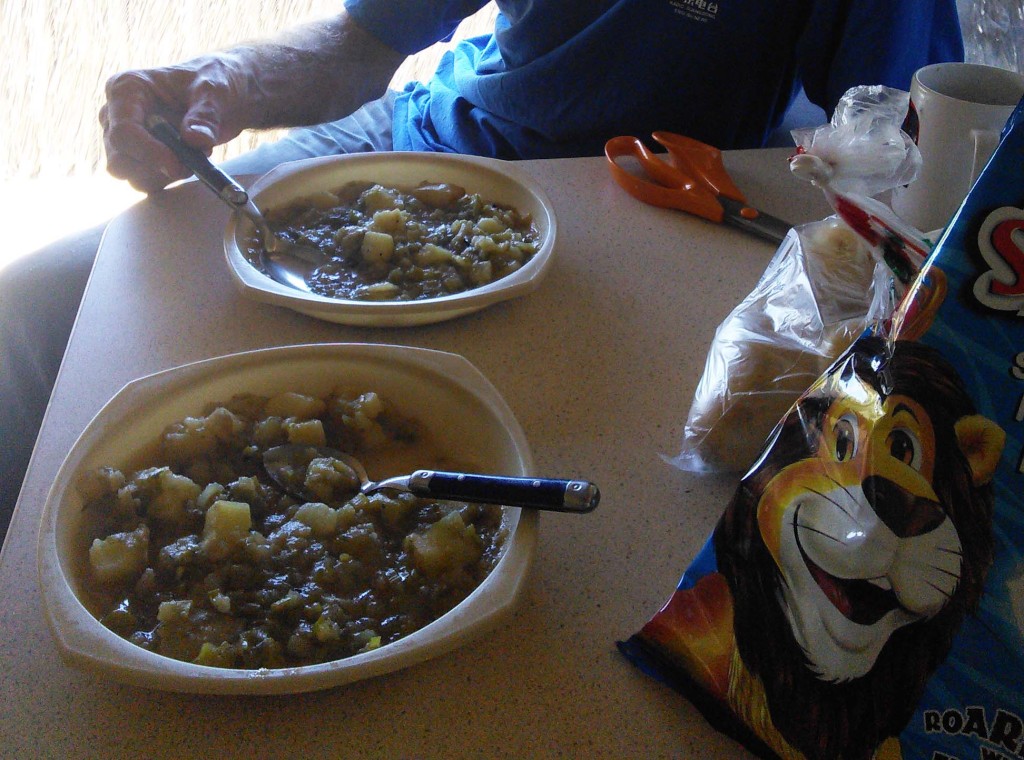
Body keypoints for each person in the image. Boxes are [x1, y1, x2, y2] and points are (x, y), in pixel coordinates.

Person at [0, 0, 964, 538]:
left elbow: (911, 140)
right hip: (421, 144)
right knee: (31, 311)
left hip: (662, 197)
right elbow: (362, 42)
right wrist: (224, 83)